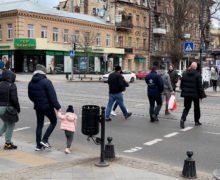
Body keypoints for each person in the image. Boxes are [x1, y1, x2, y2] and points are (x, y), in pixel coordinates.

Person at [28, 64, 61, 151]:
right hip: (47, 107)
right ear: (43, 72)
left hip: (37, 107)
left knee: (39, 125)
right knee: (53, 121)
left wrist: (36, 101)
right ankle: (45, 140)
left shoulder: (31, 82)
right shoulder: (46, 82)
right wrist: (58, 107)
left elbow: (30, 96)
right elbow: (52, 96)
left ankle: (38, 146)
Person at [180, 62, 206, 129]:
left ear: (191, 66)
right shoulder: (197, 74)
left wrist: (184, 90)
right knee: (196, 107)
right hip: (195, 94)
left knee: (187, 107)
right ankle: (196, 121)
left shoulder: (185, 74)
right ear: (196, 67)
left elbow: (181, 85)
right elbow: (200, 86)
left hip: (187, 94)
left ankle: (183, 118)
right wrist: (202, 96)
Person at [0, 69, 20, 150]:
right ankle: (8, 144)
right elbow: (15, 99)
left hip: (0, 108)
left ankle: (7, 142)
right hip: (8, 108)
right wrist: (18, 109)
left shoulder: (0, 84)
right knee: (11, 125)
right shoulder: (12, 85)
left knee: (5, 124)